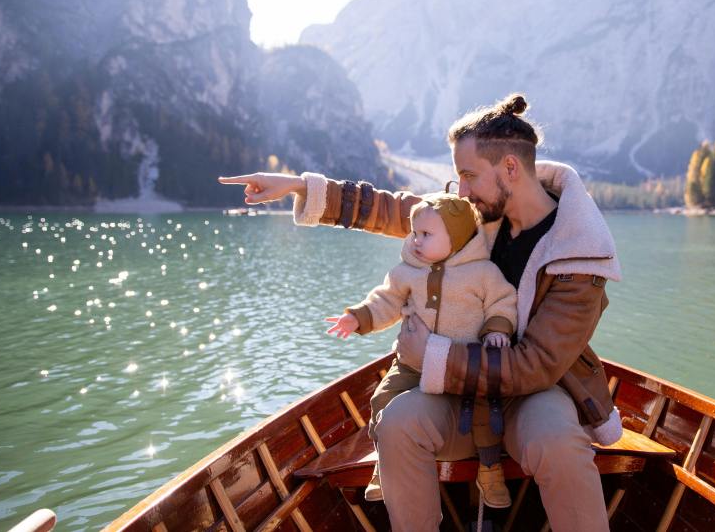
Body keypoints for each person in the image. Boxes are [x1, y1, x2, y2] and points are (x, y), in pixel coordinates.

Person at [219, 94, 622, 532]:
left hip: (535, 393)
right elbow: (396, 209)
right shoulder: (476, 212)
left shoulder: (578, 253)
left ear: (510, 167)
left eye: (468, 176)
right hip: (457, 397)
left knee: (559, 441)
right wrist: (299, 186)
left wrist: (433, 354)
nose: (460, 191)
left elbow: (538, 366)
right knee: (397, 424)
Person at [325, 193, 517, 508]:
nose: (416, 240)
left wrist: (497, 328)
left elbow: (503, 302)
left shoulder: (483, 272)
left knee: (486, 411)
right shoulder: (408, 271)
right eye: (415, 233)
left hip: (464, 364)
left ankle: (490, 468)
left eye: (427, 235)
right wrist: (357, 317)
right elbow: (385, 300)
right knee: (382, 398)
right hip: (413, 365)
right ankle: (384, 464)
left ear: (455, 238)